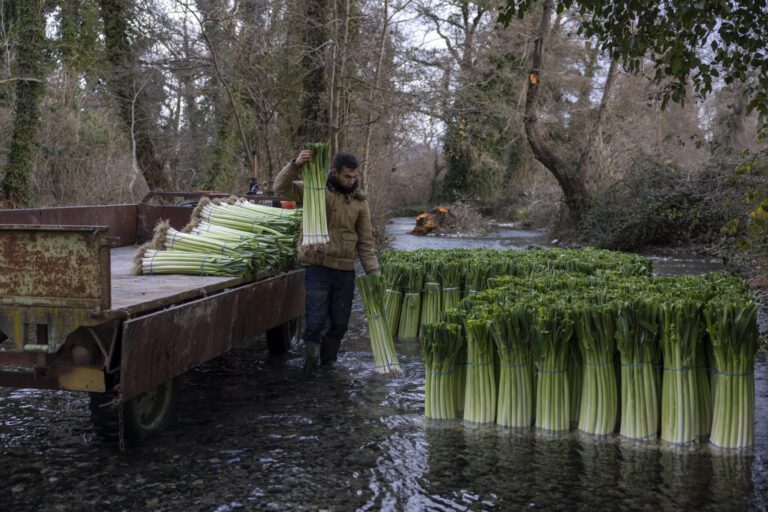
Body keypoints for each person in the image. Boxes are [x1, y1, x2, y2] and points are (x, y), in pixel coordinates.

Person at [274, 149, 380, 373]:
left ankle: (328, 366)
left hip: (345, 270)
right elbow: (280, 188)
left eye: (354, 177)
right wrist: (296, 164)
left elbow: (366, 242)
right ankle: (310, 368)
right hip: (318, 266)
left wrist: (374, 273)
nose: (351, 181)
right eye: (347, 177)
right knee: (314, 323)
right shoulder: (315, 190)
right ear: (335, 172)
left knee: (340, 324)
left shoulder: (360, 201)